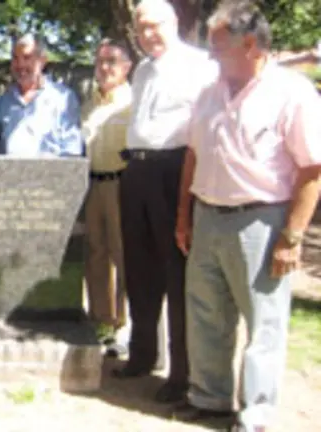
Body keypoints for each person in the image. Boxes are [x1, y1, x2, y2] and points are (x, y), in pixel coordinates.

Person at [174, 2, 321, 430]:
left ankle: (255, 413)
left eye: (218, 46)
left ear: (251, 44)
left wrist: (292, 237)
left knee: (264, 322)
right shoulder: (209, 93)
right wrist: (183, 216)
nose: (211, 55)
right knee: (206, 314)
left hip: (261, 220)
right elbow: (192, 156)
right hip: (207, 216)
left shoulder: (292, 93)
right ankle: (209, 399)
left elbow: (312, 169)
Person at [116, 0, 218, 403]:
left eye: (154, 25)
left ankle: (181, 373)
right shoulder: (142, 70)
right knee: (139, 270)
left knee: (176, 273)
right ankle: (143, 354)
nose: (147, 34)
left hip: (174, 171)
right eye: (140, 27)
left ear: (174, 22)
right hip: (136, 171)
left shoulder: (201, 65)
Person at [81, 38, 133, 354]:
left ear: (126, 67)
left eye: (112, 61)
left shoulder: (133, 102)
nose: (104, 67)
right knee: (95, 255)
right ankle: (101, 323)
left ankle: (124, 326)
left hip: (121, 184)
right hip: (91, 185)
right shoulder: (88, 103)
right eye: (100, 61)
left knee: (123, 254)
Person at [0, 34, 83, 157]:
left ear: (42, 61)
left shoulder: (62, 99)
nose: (20, 64)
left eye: (27, 57)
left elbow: (72, 150)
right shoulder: (2, 102)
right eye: (15, 58)